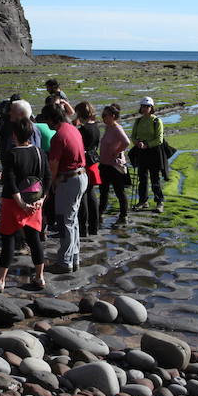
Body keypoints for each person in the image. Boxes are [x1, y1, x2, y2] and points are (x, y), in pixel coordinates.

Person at [0, 117, 49, 292]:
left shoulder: (12, 154)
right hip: (35, 201)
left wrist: (20, 203)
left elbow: (10, 182)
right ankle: (39, 277)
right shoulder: (40, 152)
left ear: (14, 135)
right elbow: (47, 178)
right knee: (34, 239)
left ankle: (0, 280)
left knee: (8, 239)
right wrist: (41, 199)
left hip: (13, 203)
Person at [44, 103, 87, 273]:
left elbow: (53, 165)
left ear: (51, 119)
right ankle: (74, 257)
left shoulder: (58, 136)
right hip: (81, 176)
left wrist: (50, 186)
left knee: (65, 221)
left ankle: (64, 262)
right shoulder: (72, 128)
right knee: (72, 219)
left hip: (68, 179)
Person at [131, 96, 167, 209]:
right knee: (142, 178)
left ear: (152, 108)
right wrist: (137, 143)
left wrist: (146, 145)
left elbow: (159, 139)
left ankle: (159, 202)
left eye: (147, 106)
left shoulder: (157, 121)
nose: (145, 108)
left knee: (155, 179)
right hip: (141, 152)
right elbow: (133, 136)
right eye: (143, 106)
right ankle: (143, 201)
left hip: (154, 152)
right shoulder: (138, 121)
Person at [99, 104, 132, 227]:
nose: (103, 118)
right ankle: (100, 213)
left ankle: (123, 216)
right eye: (102, 115)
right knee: (104, 191)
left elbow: (126, 142)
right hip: (105, 165)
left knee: (119, 191)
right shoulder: (108, 127)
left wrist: (117, 151)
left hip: (115, 166)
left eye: (105, 115)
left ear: (113, 116)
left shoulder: (117, 128)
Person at [74, 101, 101, 237]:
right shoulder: (96, 127)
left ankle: (83, 228)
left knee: (83, 196)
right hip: (94, 162)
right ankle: (94, 227)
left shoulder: (83, 130)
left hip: (85, 164)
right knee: (91, 195)